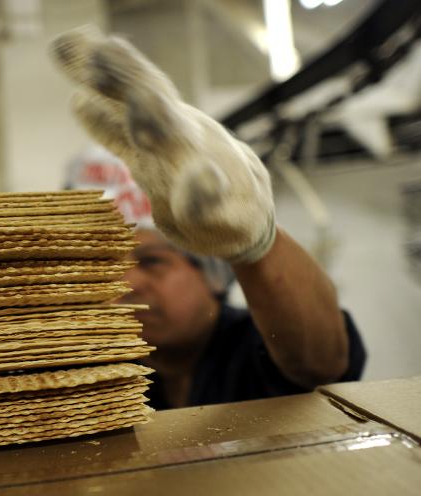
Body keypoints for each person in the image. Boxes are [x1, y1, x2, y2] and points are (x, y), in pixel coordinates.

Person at [54, 26, 366, 409]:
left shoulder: (252, 347)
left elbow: (322, 364)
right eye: (106, 268)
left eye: (151, 261)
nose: (127, 283)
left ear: (214, 276)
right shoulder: (106, 377)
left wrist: (255, 245)